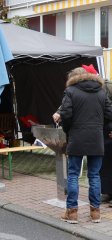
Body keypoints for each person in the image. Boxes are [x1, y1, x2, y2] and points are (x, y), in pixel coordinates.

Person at [55, 64, 112, 224]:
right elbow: (110, 114)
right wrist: (102, 128)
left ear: (73, 78)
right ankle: (95, 213)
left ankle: (72, 213)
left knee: (73, 175)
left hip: (77, 138)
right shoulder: (101, 91)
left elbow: (65, 114)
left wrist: (68, 130)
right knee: (94, 175)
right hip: (96, 138)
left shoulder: (71, 91)